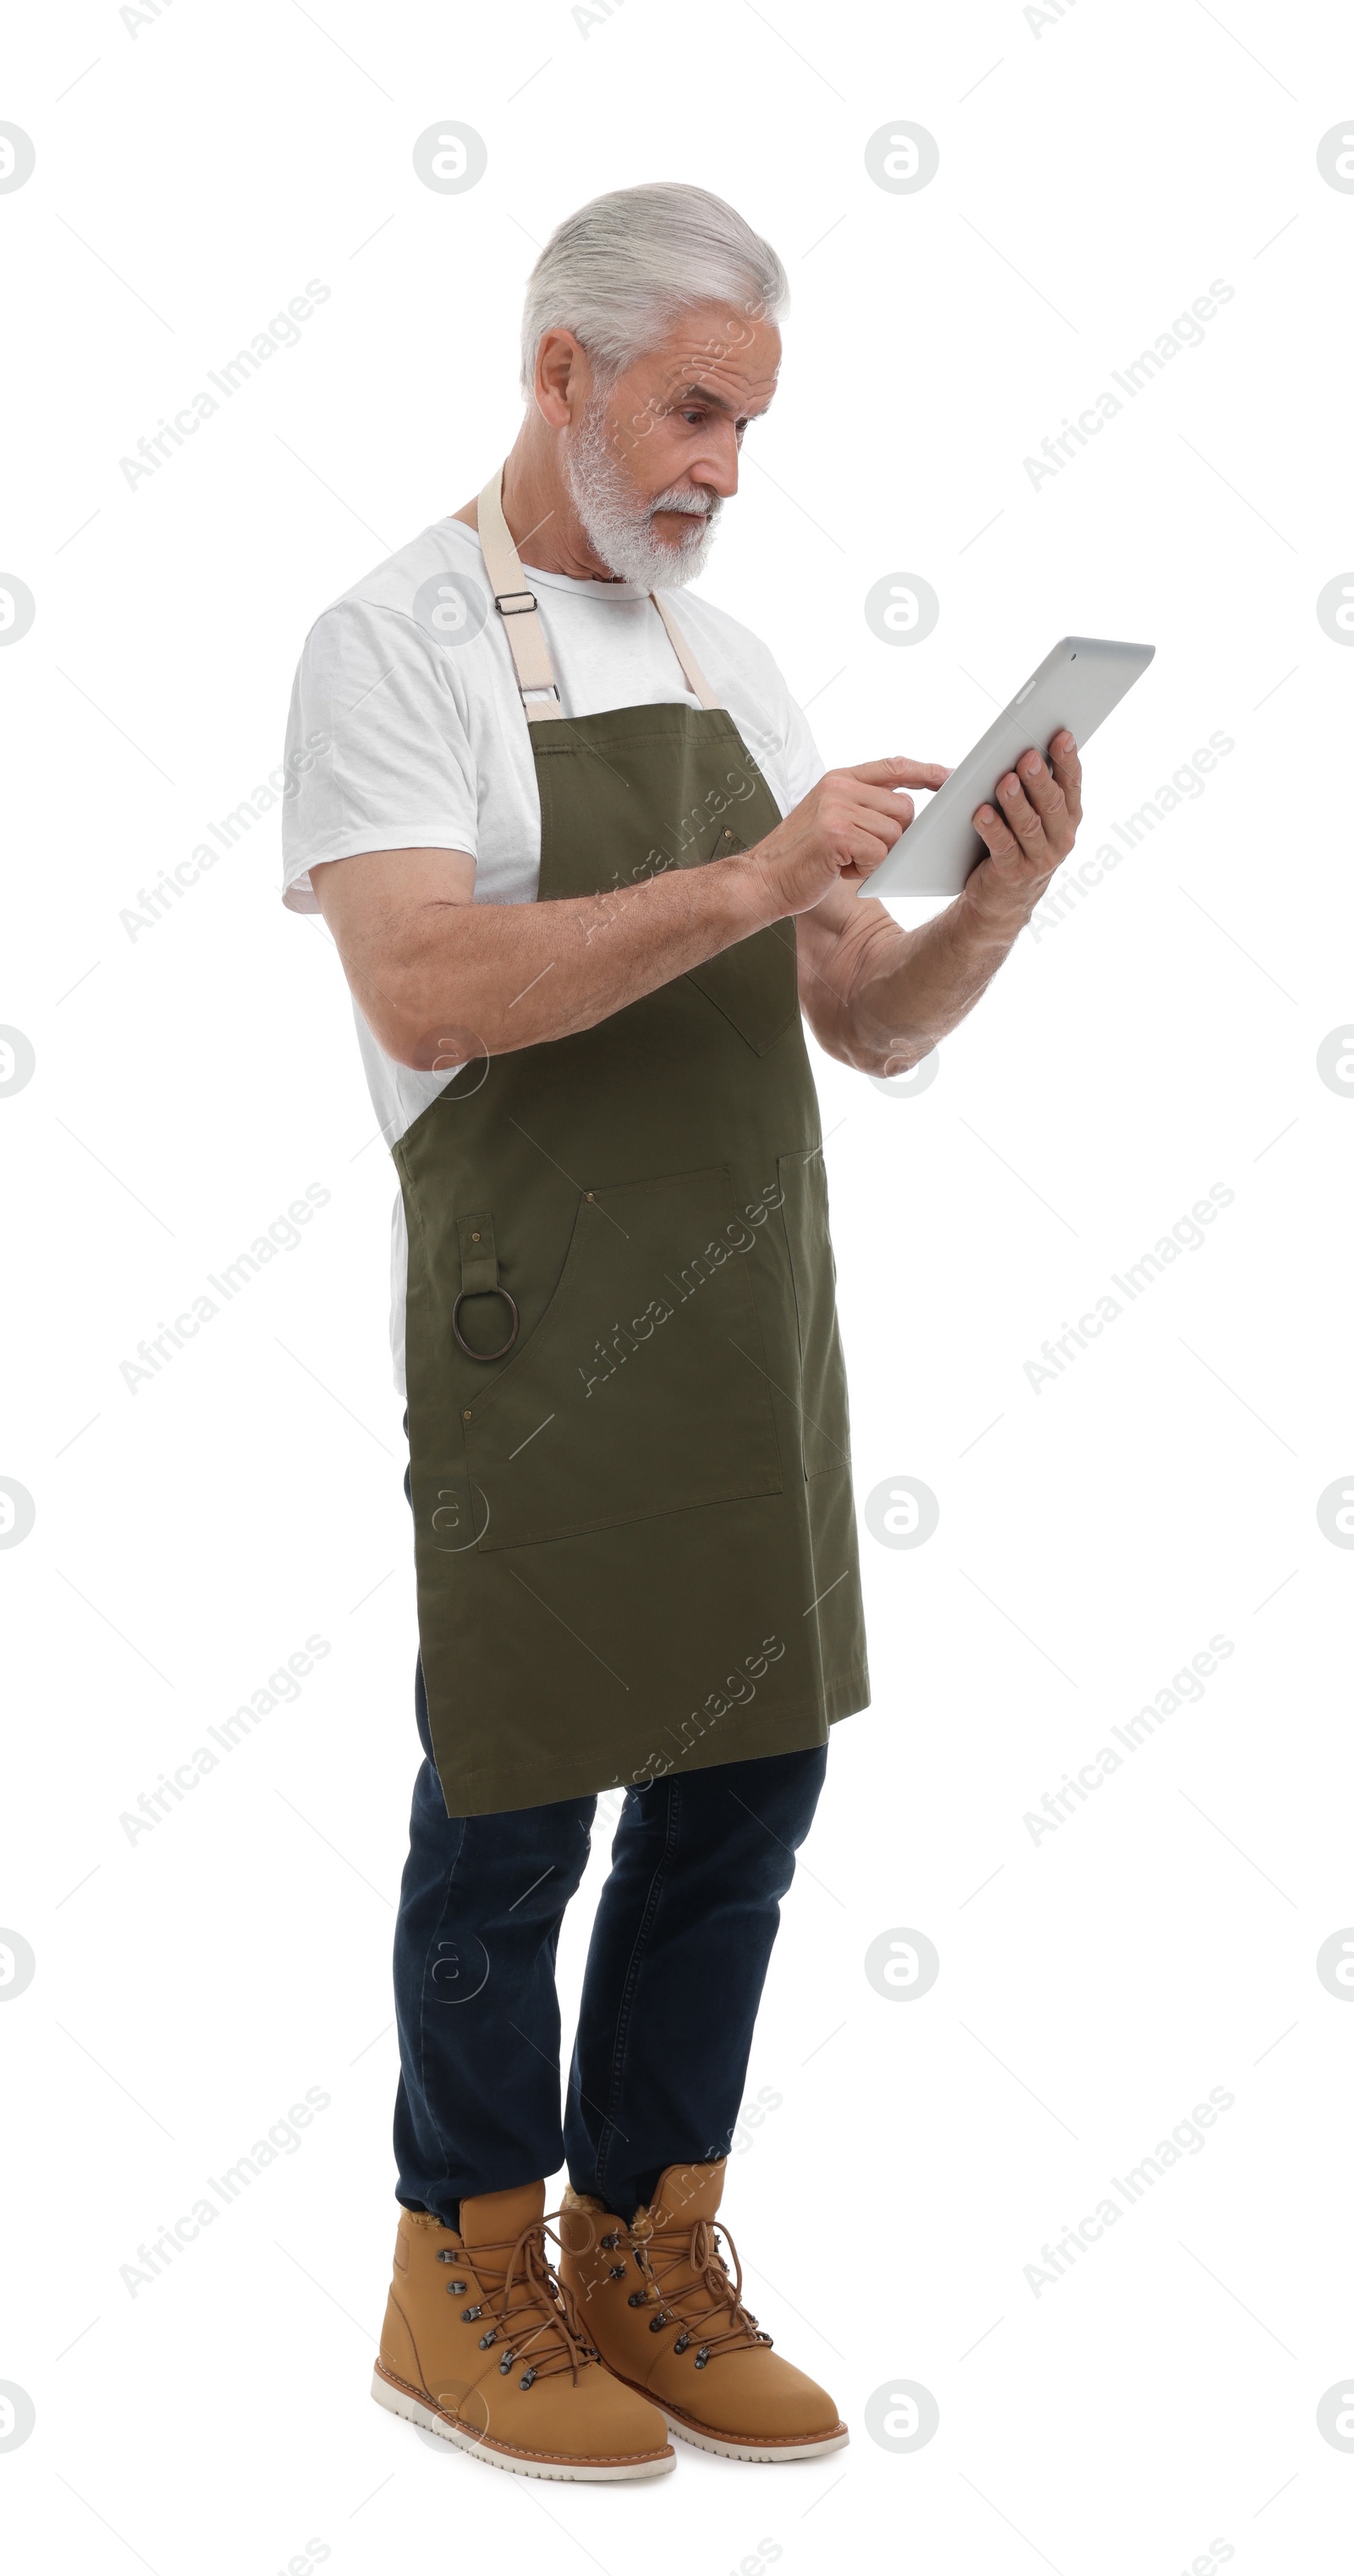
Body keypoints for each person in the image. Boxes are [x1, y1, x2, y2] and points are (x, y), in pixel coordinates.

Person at [280, 180, 1082, 2482]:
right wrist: (746, 873)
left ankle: (647, 2232)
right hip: (542, 1317)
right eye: (695, 407)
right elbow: (424, 979)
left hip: (750, 1330)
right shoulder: (397, 640)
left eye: (750, 420)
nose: (726, 462)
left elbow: (868, 1025)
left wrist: (993, 900)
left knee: (744, 1793)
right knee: (520, 1795)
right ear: (564, 375)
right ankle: (463, 2265)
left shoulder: (735, 667)